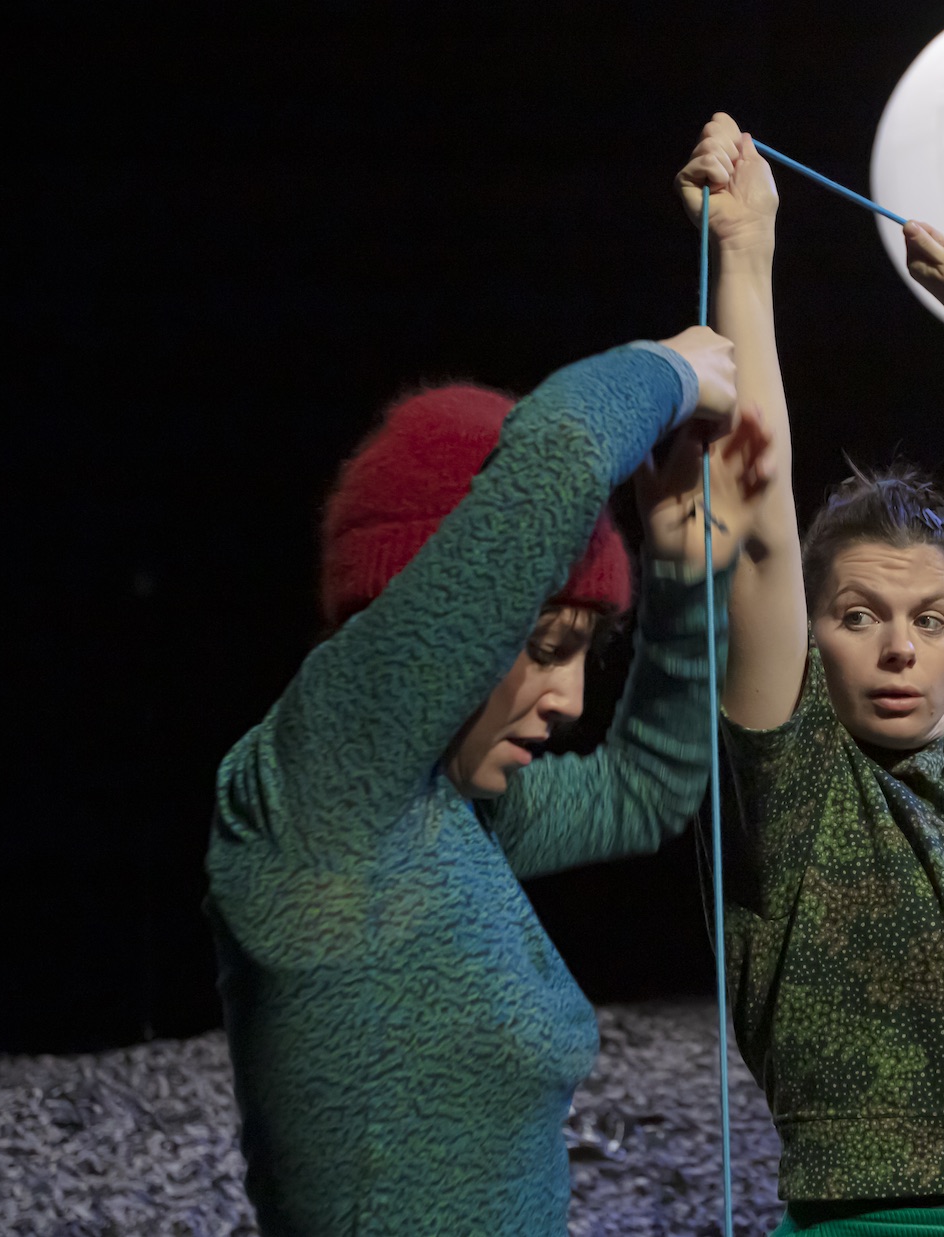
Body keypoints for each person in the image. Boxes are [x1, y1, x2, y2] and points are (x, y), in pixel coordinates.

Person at [204, 328, 771, 1236]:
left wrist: (685, 576)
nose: (571, 699)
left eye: (585, 654)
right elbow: (560, 447)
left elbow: (645, 787)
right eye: (544, 646)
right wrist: (672, 371)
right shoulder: (325, 798)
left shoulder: (453, 820)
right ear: (435, 611)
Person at [678, 112, 944, 1236]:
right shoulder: (799, 768)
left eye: (930, 618)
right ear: (811, 631)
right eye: (859, 615)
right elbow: (759, 523)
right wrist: (747, 253)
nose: (900, 647)